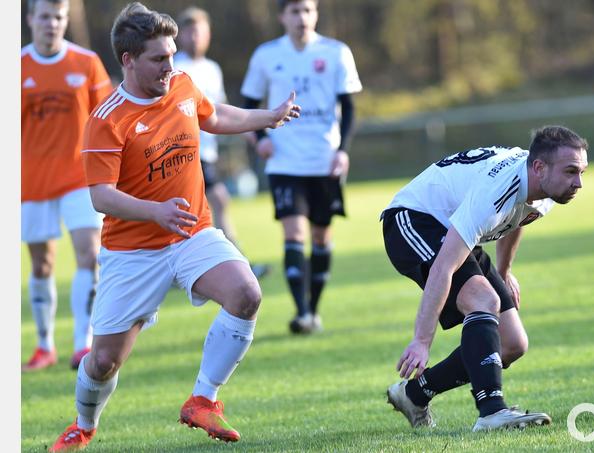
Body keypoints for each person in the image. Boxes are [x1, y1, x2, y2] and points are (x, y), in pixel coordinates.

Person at [48, 3, 300, 451]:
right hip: (132, 252)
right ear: (128, 59)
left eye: (172, 54)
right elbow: (100, 196)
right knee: (104, 361)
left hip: (191, 232)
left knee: (247, 295)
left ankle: (203, 398)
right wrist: (155, 211)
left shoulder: (182, 84)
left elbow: (214, 116)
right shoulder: (107, 119)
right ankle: (83, 426)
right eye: (159, 58)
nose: (171, 65)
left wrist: (266, 117)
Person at [381, 126, 589, 431]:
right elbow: (442, 269)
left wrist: (503, 273)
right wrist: (422, 341)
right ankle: (492, 411)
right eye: (571, 171)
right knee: (483, 300)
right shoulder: (496, 190)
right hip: (412, 220)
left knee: (512, 343)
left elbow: (519, 215)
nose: (579, 183)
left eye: (582, 172)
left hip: (454, 227)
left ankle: (413, 395)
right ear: (539, 167)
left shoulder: (544, 190)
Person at [241, 0, 362, 334]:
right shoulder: (266, 55)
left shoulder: (337, 52)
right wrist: (260, 137)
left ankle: (315, 308)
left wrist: (342, 150)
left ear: (317, 14)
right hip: (284, 161)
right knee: (294, 232)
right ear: (282, 16)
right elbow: (249, 106)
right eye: (295, 11)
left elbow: (349, 107)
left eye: (308, 10)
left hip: (324, 160)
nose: (302, 17)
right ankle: (302, 312)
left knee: (321, 235)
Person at [21, 0, 113, 372]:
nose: (52, 23)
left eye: (59, 17)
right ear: (31, 20)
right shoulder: (16, 67)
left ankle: (82, 343)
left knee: (89, 255)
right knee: (42, 265)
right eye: (45, 16)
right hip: (32, 181)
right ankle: (44, 345)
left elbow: (107, 118)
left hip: (79, 178)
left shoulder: (87, 62)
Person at [174, 6, 271, 279]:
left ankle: (218, 263)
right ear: (181, 36)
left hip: (207, 152)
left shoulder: (211, 69)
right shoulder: (175, 67)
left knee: (204, 207)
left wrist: (251, 131)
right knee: (215, 201)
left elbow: (220, 109)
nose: (196, 38)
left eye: (201, 32)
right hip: (183, 153)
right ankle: (236, 262)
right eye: (190, 32)